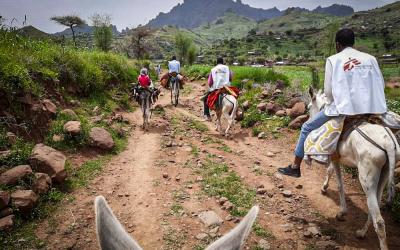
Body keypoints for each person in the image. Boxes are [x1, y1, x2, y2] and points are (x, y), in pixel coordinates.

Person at [278, 28, 387, 178]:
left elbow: (328, 92)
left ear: (337, 44)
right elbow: (381, 84)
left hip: (343, 109)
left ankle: (295, 167)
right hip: (372, 108)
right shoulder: (371, 59)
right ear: (353, 43)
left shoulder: (333, 60)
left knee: (306, 127)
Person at [203, 57, 233, 121]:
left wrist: (211, 86)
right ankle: (236, 110)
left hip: (217, 89)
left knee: (205, 99)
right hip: (226, 88)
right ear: (223, 62)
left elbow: (210, 82)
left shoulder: (213, 69)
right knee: (234, 96)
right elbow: (230, 77)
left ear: (216, 63)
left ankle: (208, 115)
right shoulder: (227, 68)